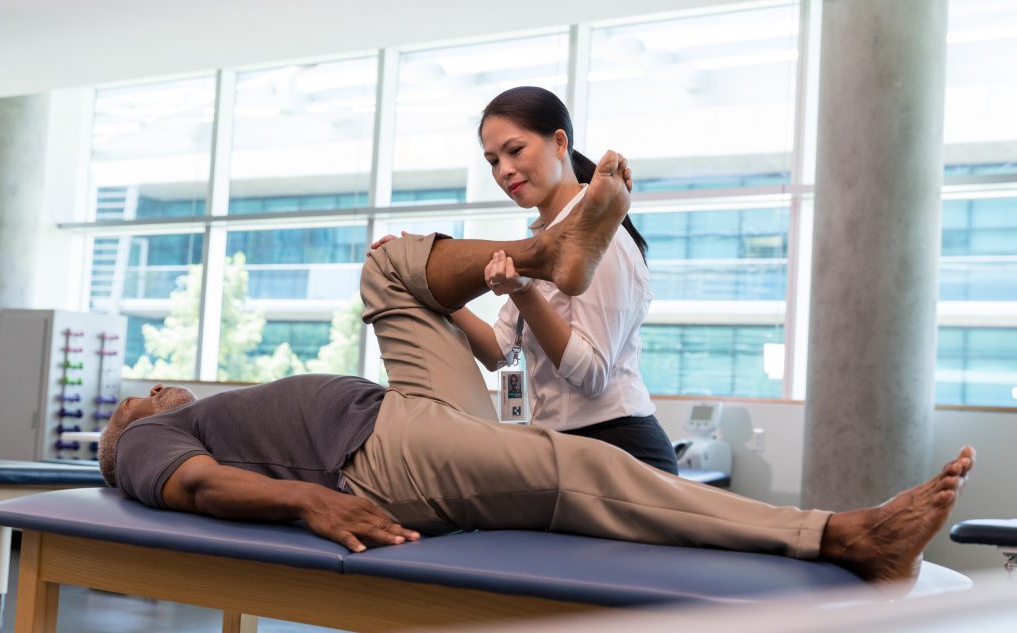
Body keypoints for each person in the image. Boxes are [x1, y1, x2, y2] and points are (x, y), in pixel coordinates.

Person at [101, 152, 974, 590]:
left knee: (389, 266)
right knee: (586, 469)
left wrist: (486, 293)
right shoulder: (151, 442)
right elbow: (195, 486)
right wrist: (308, 500)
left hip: (406, 410)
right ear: (126, 431)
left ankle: (547, 252)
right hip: (372, 461)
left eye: (511, 151)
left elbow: (504, 354)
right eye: (137, 394)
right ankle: (842, 536)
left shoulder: (186, 415)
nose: (154, 387)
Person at [374, 86, 677, 473]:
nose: (504, 171)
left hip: (618, 446)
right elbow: (498, 351)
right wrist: (427, 284)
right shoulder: (535, 244)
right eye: (493, 161)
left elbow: (593, 375)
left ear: (559, 142)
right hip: (557, 447)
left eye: (515, 151)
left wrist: (525, 291)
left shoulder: (605, 238)